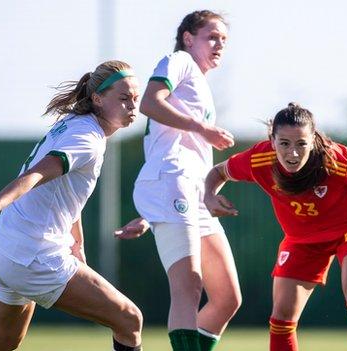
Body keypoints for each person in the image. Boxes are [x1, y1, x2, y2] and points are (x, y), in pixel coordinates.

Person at [203, 103, 347, 351]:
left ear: (313, 140)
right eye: (284, 143)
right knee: (281, 317)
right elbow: (219, 172)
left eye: (301, 144)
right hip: (302, 238)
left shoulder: (336, 159)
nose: (293, 153)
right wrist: (208, 195)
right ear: (272, 141)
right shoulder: (258, 159)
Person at [0, 60, 144, 351]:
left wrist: (77, 243)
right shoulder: (87, 139)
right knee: (129, 320)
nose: (132, 106)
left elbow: (66, 194)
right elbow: (35, 175)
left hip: (4, 247)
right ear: (97, 98)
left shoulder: (73, 123)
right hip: (33, 255)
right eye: (123, 98)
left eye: (135, 97)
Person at [114, 10, 241, 351]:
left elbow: (170, 146)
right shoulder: (180, 61)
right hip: (173, 184)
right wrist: (203, 128)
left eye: (224, 40)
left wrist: (150, 215)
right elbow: (148, 102)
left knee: (228, 298)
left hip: (186, 192)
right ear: (188, 37)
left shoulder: (200, 81)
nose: (219, 45)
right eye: (212, 37)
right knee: (188, 287)